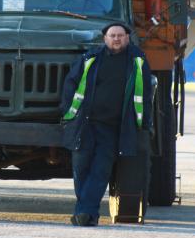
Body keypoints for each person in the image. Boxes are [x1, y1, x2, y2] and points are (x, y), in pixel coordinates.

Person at [60, 21, 153, 226]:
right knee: (81, 168)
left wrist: (144, 124)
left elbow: (145, 93)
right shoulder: (91, 58)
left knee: (100, 170)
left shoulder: (137, 61)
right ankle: (87, 214)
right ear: (105, 39)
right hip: (85, 125)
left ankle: (84, 213)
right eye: (113, 35)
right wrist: (68, 112)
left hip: (114, 128)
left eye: (120, 35)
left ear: (127, 38)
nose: (117, 39)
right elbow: (70, 84)